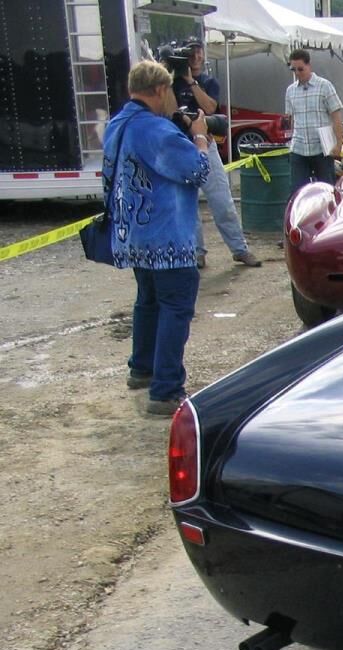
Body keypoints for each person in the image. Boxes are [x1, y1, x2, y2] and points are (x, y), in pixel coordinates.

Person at [103, 60, 210, 416]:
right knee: (176, 307)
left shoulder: (118, 123)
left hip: (133, 233)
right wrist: (198, 137)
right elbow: (196, 170)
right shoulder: (156, 131)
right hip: (166, 237)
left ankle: (142, 368)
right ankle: (165, 390)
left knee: (148, 302)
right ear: (160, 90)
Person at [172, 42, 260, 269]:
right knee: (188, 202)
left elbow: (210, 108)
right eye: (190, 53)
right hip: (181, 145)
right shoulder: (171, 83)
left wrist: (191, 82)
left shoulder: (209, 82)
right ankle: (197, 252)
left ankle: (239, 249)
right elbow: (167, 110)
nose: (195, 57)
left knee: (221, 198)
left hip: (205, 143)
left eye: (199, 52)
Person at [284, 49, 343, 194]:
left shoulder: (325, 86)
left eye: (300, 69)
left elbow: (336, 116)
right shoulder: (290, 91)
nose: (297, 73)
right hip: (299, 148)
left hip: (322, 149)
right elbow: (290, 119)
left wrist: (338, 142)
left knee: (327, 190)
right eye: (294, 69)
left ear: (309, 66)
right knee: (298, 193)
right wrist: (289, 141)